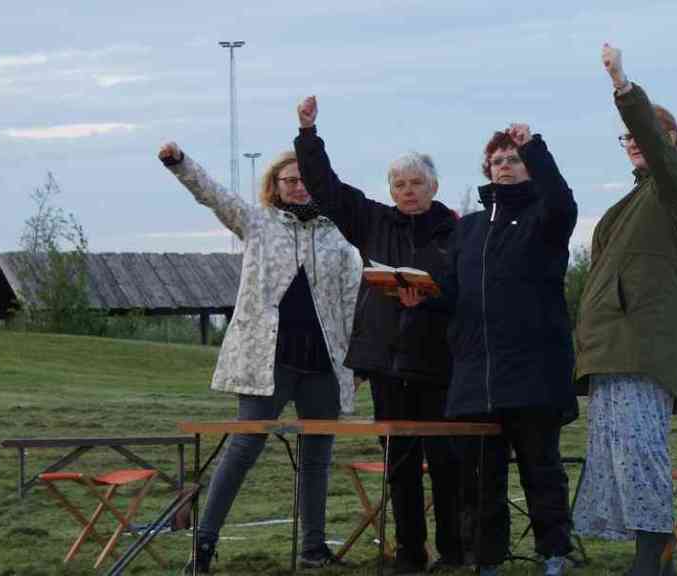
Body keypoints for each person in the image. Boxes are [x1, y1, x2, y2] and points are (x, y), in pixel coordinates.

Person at [158, 143, 360, 573]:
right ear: (275, 185)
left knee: (317, 458)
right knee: (243, 448)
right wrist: (179, 163)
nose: (299, 187)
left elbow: (351, 302)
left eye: (306, 180)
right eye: (291, 180)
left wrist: (356, 363)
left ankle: (313, 549)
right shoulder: (256, 221)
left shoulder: (339, 234)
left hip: (323, 365)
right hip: (267, 361)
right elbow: (212, 194)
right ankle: (203, 547)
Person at [292, 96, 464, 574]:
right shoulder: (372, 220)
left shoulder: (457, 231)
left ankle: (454, 551)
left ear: (434, 187)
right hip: (387, 363)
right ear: (390, 190)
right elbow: (326, 188)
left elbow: (466, 292)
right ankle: (409, 552)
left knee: (446, 461)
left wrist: (431, 300)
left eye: (416, 183)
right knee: (400, 465)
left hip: (440, 363)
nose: (408, 191)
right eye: (399, 184)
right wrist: (308, 134)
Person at [417, 122, 578, 576]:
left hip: (534, 373)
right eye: (498, 160)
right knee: (480, 479)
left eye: (515, 159)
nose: (505, 166)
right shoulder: (468, 229)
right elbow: (454, 292)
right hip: (476, 376)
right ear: (487, 169)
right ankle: (487, 559)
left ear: (530, 168)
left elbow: (562, 200)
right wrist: (421, 297)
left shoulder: (547, 218)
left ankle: (554, 554)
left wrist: (535, 147)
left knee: (541, 471)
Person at [572, 43, 677, 576]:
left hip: (642, 345)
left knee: (640, 453)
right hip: (610, 348)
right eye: (626, 137)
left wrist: (622, 86)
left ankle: (655, 558)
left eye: (642, 135)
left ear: (671, 141)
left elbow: (651, 137)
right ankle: (648, 556)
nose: (633, 142)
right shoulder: (632, 199)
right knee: (615, 457)